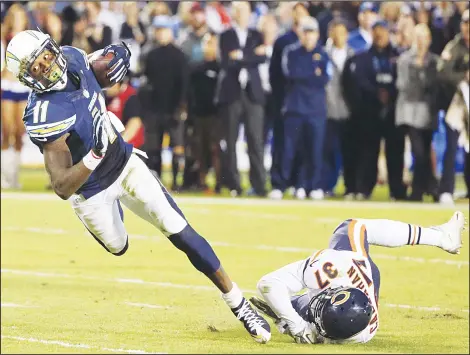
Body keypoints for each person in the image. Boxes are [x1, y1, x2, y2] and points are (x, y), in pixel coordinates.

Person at [5, 29, 271, 344]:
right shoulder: (44, 113)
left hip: (123, 161)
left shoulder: (74, 57)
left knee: (178, 229)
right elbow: (61, 186)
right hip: (89, 189)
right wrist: (93, 155)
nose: (46, 66)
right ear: (27, 78)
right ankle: (113, 201)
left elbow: (103, 71)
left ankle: (239, 304)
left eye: (46, 56)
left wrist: (120, 55)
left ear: (53, 48)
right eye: (36, 67)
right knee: (118, 246)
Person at [250, 211, 465, 344]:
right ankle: (439, 237)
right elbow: (268, 285)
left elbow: (267, 284)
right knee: (352, 227)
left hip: (350, 298)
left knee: (294, 307)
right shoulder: (336, 268)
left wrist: (295, 323)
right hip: (357, 277)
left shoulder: (328, 273)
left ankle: (291, 309)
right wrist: (297, 326)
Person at [349, 20, 407, 201]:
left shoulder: (399, 56)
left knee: (395, 152)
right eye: (376, 31)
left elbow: (404, 81)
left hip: (393, 110)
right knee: (368, 152)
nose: (379, 35)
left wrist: (390, 94)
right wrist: (376, 93)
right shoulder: (364, 57)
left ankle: (397, 190)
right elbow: (359, 81)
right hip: (370, 111)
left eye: (383, 31)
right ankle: (364, 188)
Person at [215, 1, 267, 197]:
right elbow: (227, 62)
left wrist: (241, 57)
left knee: (256, 139)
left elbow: (262, 59)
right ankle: (234, 184)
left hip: (253, 93)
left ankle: (260, 185)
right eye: (238, 11)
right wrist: (251, 55)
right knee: (230, 140)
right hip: (232, 94)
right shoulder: (226, 35)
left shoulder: (256, 34)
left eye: (244, 11)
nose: (241, 14)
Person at [278, 16, 331, 200]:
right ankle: (289, 185)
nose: (309, 37)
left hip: (316, 110)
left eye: (312, 32)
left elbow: (324, 79)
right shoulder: (291, 52)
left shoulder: (323, 54)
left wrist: (307, 74)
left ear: (317, 34)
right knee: (291, 150)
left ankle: (314, 185)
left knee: (315, 151)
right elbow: (291, 73)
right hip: (295, 108)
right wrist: (312, 73)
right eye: (306, 32)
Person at [141, 15, 189, 191]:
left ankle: (177, 182)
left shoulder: (180, 56)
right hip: (155, 109)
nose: (160, 34)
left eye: (163, 30)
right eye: (158, 30)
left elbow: (184, 84)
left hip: (173, 108)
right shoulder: (151, 55)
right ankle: (157, 182)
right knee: (154, 147)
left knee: (177, 145)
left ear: (171, 32)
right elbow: (146, 82)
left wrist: (181, 106)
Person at [268, 1, 309, 199]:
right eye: (297, 13)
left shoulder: (314, 43)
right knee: (282, 144)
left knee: (302, 145)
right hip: (285, 103)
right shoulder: (283, 41)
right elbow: (274, 74)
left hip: (306, 104)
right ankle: (279, 183)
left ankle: (298, 182)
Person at [395, 23, 440, 202]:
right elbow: (402, 86)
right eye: (418, 37)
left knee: (426, 151)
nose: (421, 41)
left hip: (428, 112)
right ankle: (419, 190)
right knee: (418, 152)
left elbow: (436, 87)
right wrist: (421, 76)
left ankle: (427, 188)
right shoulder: (405, 60)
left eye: (424, 37)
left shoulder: (434, 61)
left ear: (429, 40)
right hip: (410, 112)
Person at [437, 9, 470, 205]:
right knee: (450, 147)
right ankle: (446, 190)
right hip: (456, 105)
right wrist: (463, 77)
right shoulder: (454, 46)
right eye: (466, 23)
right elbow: (442, 72)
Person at [1, 4, 31, 189]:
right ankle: (5, 176)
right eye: (15, 16)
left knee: (20, 132)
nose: (18, 19)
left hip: (22, 87)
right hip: (6, 85)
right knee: (7, 131)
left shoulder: (30, 38)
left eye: (21, 16)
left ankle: (14, 175)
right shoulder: (4, 35)